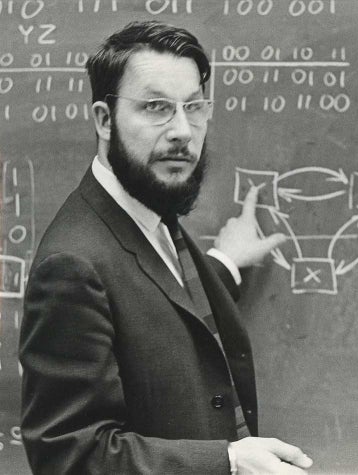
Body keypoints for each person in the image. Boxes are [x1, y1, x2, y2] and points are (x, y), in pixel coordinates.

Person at [19, 20, 313, 475]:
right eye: (156, 107)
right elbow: (70, 456)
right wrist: (228, 462)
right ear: (103, 119)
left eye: (194, 107)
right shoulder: (71, 265)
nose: (183, 131)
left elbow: (150, 306)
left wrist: (224, 265)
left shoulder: (147, 212)